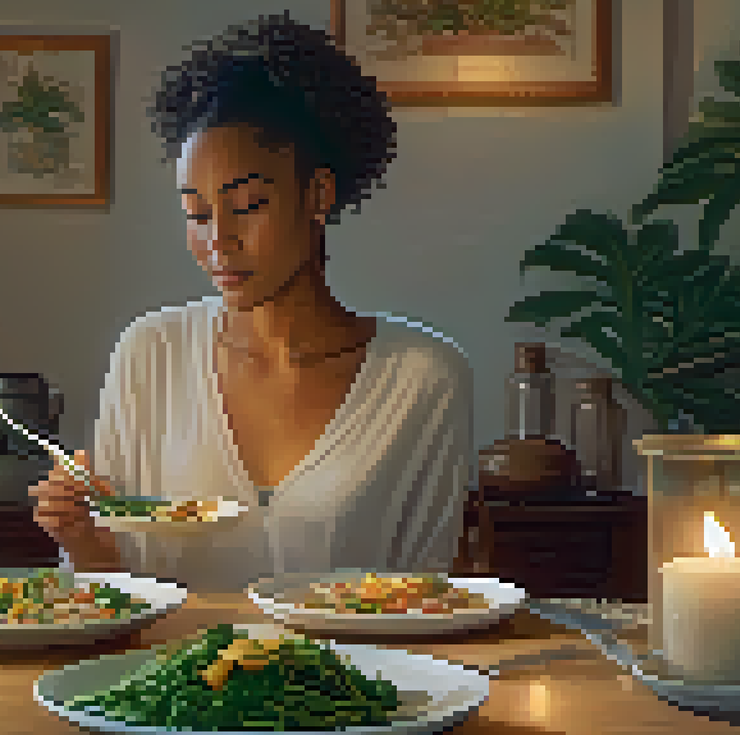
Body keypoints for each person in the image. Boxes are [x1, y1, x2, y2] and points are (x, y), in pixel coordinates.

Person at [29, 14, 473, 594]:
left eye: (248, 205)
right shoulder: (151, 353)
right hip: (168, 681)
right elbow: (111, 595)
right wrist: (79, 537)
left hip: (353, 681)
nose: (219, 239)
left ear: (318, 195)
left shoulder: (422, 379)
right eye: (197, 213)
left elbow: (428, 597)